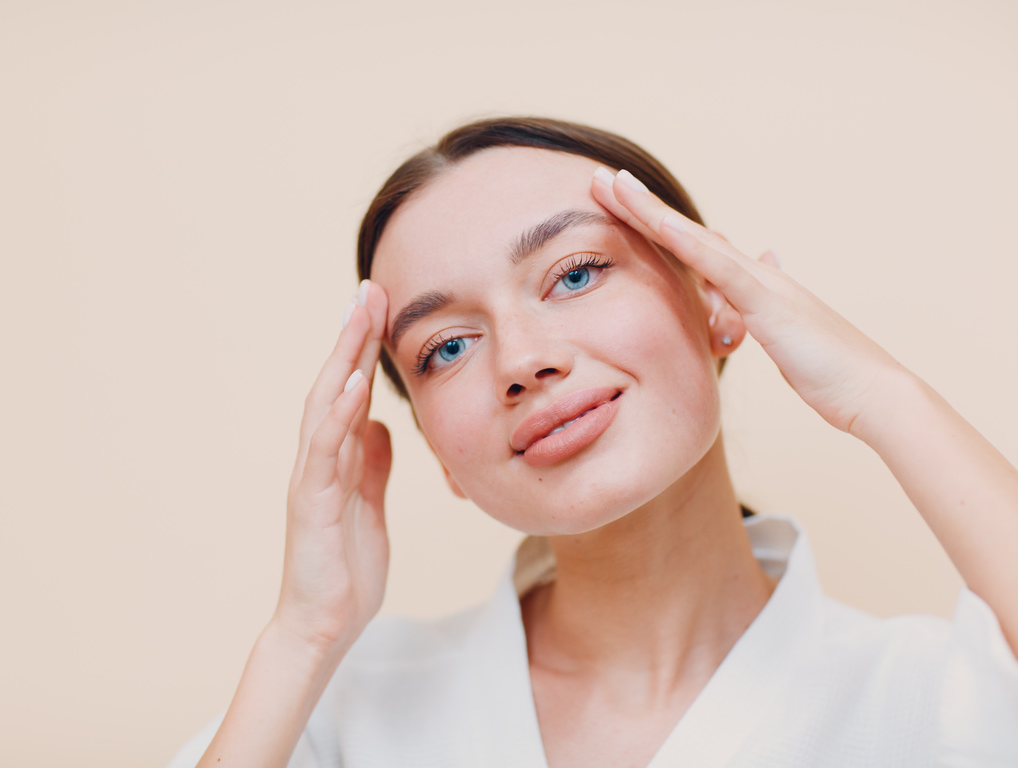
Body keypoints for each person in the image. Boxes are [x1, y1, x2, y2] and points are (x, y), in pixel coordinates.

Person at [170, 117, 1018, 767]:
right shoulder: (333, 713)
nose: (524, 361)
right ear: (437, 451)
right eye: (446, 349)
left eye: (574, 274)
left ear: (720, 299)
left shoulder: (938, 695)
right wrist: (303, 636)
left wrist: (881, 395)